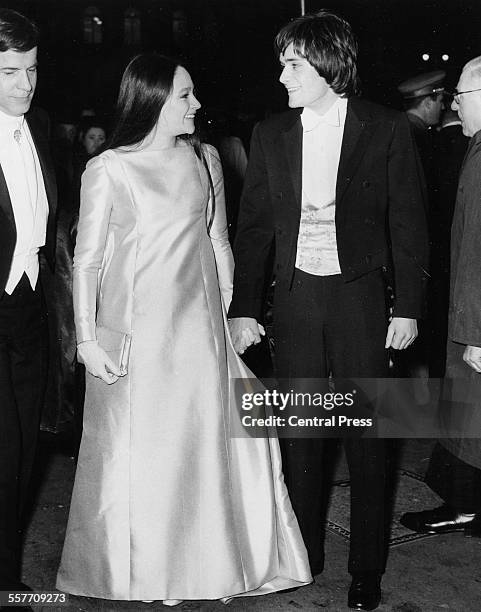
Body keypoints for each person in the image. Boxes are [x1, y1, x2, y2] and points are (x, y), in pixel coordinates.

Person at [56, 53, 311, 603]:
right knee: (148, 454)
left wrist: (233, 316)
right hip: (134, 338)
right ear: (152, 101)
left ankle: (211, 565)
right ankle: (154, 573)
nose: (196, 104)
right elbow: (87, 262)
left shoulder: (205, 158)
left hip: (200, 333)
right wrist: (85, 340)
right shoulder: (109, 169)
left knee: (205, 449)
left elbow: (219, 242)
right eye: (184, 96)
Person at [228, 11, 428, 611]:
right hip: (295, 301)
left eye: (293, 63)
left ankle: (366, 572)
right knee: (302, 438)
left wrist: (409, 308)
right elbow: (256, 228)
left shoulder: (387, 129)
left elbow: (409, 223)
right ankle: (304, 555)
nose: (283, 75)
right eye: (282, 62)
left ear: (326, 64)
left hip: (361, 300)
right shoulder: (271, 133)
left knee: (368, 439)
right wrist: (242, 309)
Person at [400, 57, 481, 538]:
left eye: (462, 95)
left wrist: (476, 333)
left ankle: (464, 507)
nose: (453, 104)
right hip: (468, 311)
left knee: (468, 417)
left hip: (474, 318)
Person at [0, 8, 57, 604]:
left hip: (29, 307)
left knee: (23, 454)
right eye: (10, 71)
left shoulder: (39, 125)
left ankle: (7, 577)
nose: (25, 83)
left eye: (32, 69)